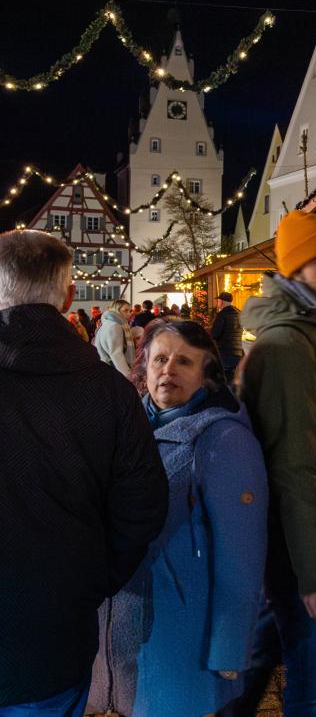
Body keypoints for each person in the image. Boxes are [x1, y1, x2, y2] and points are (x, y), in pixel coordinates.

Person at [0, 229, 167, 714]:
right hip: (55, 635)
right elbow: (144, 505)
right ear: (69, 296)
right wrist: (91, 578)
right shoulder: (110, 392)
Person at [87, 319, 268, 717]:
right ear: (144, 368)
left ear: (206, 376)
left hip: (185, 636)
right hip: (124, 635)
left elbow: (242, 553)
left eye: (184, 362)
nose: (168, 370)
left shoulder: (224, 440)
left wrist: (230, 645)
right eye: (160, 359)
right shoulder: (126, 428)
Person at [220, 211, 316, 717]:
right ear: (295, 270)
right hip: (290, 541)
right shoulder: (287, 345)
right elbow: (294, 467)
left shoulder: (314, 331)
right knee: (311, 680)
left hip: (290, 537)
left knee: (263, 652)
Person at [96, 298, 136, 376]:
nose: (129, 314)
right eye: (125, 311)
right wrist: (128, 375)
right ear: (117, 310)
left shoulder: (107, 323)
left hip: (107, 367)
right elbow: (116, 354)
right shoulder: (115, 326)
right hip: (114, 369)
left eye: (130, 311)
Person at [210, 291, 245, 379]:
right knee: (233, 379)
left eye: (218, 301)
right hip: (238, 353)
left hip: (225, 353)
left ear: (222, 301)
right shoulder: (239, 313)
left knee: (223, 379)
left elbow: (214, 334)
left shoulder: (222, 315)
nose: (217, 303)